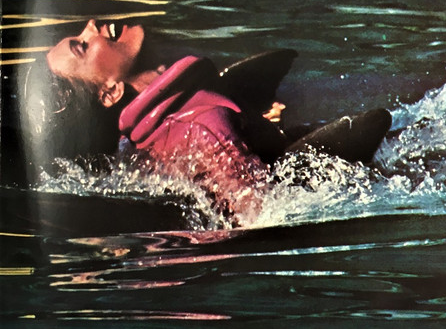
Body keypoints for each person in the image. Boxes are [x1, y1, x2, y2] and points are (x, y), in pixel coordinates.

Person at [19, 19, 391, 223]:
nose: (91, 25)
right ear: (110, 93)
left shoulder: (143, 142)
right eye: (82, 45)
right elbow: (260, 214)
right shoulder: (201, 124)